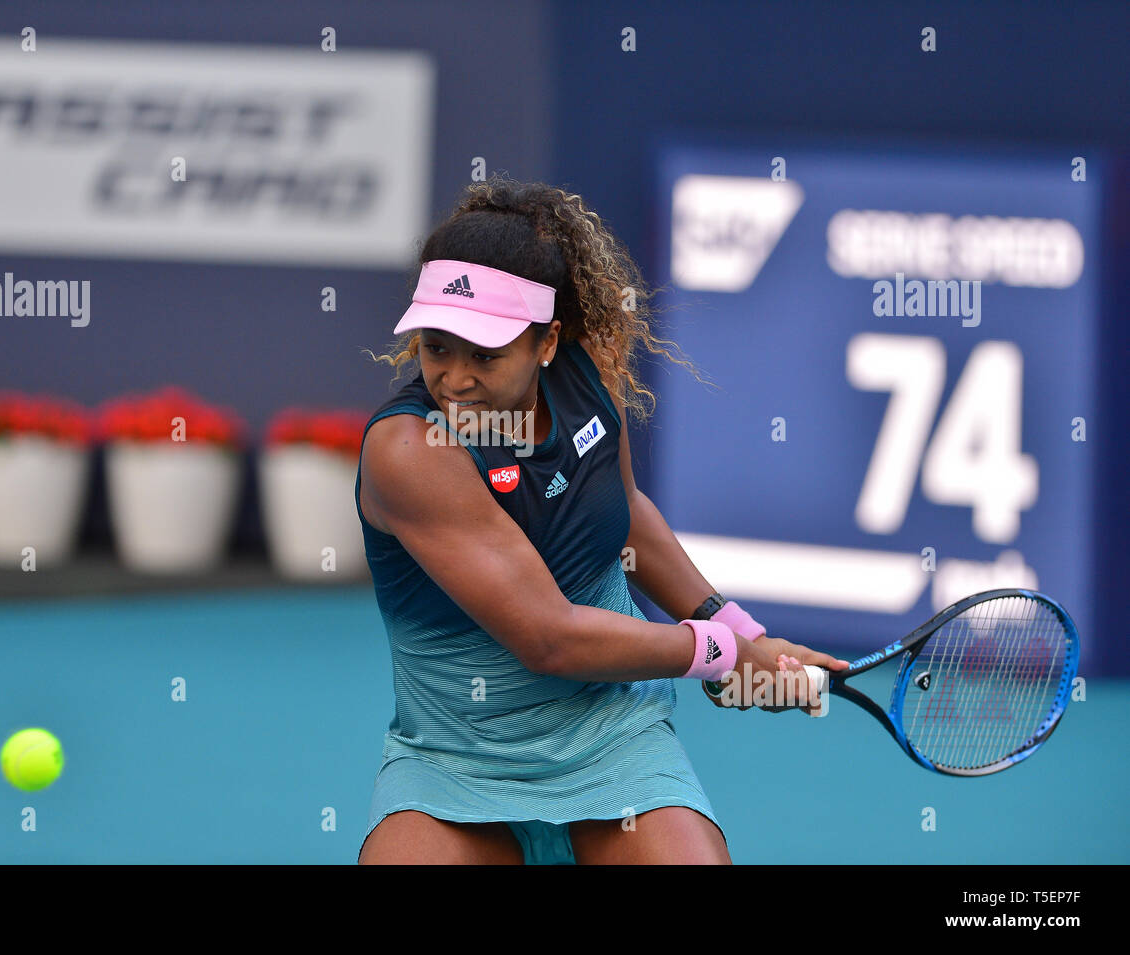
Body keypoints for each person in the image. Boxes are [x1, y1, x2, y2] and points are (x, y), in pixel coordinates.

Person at [355, 175, 846, 864]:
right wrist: (721, 655)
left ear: (548, 342)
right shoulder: (409, 450)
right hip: (451, 760)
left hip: (611, 737)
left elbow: (625, 517)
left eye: (486, 354)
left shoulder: (587, 378)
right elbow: (550, 640)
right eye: (437, 347)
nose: (455, 379)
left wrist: (738, 628)